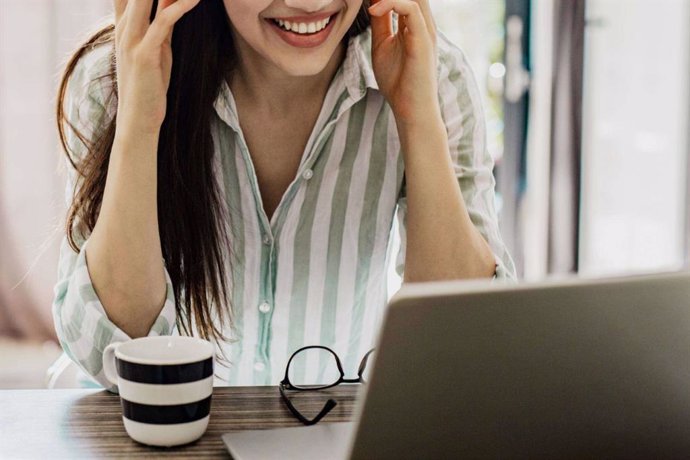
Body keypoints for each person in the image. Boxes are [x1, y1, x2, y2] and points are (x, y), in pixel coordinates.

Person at [53, 0, 515, 389]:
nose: (311, 3)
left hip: (329, 440)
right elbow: (107, 354)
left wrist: (416, 117)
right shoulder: (117, 77)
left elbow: (466, 344)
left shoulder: (430, 74)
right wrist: (140, 116)